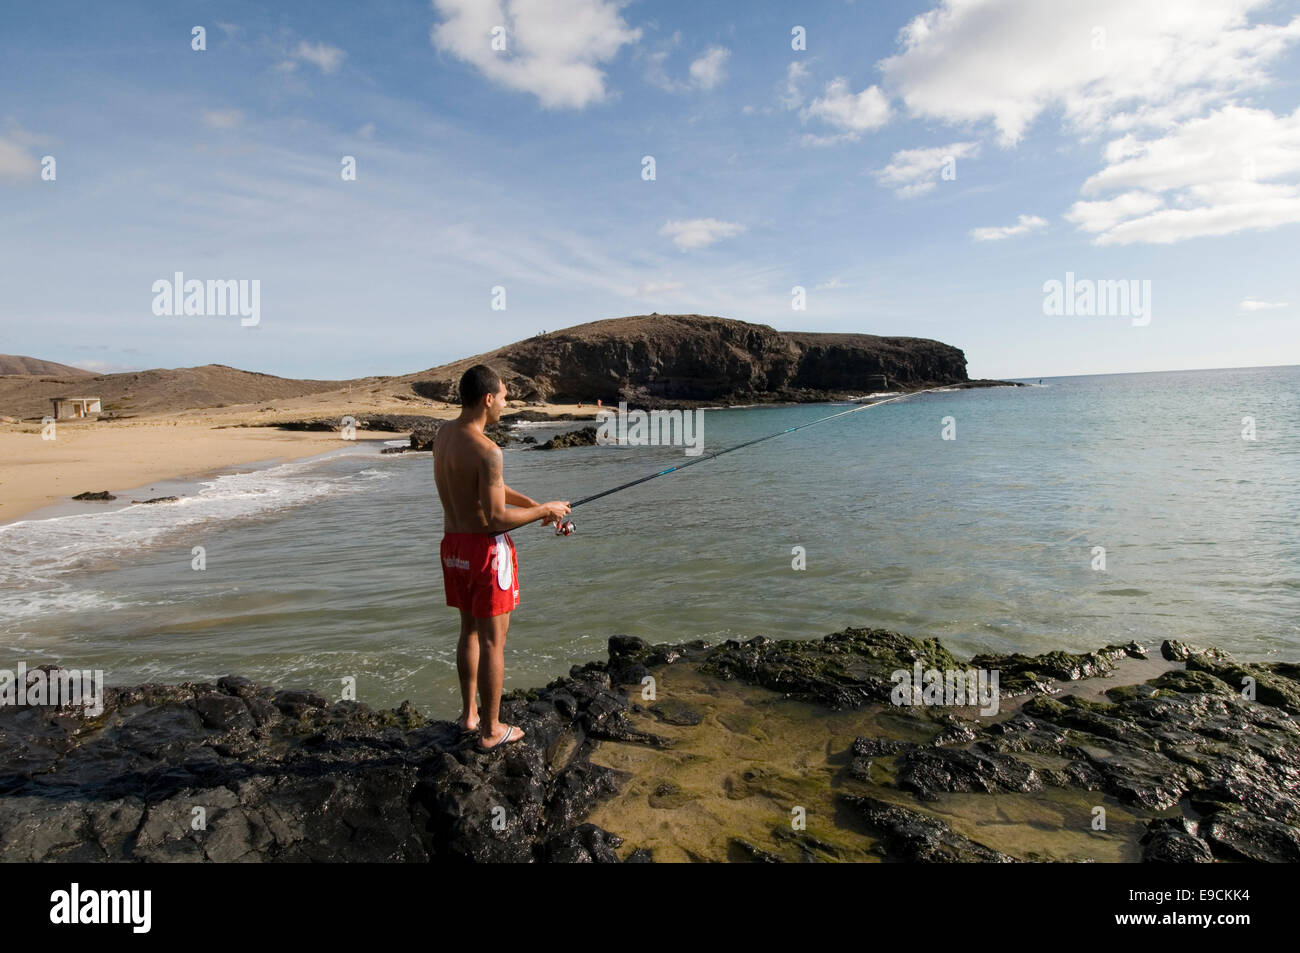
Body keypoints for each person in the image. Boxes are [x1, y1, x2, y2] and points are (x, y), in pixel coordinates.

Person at [433, 364, 570, 751]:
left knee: (468, 632)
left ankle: (469, 716)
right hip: (487, 551)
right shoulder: (489, 451)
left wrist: (538, 504)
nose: (506, 405)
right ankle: (493, 730)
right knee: (495, 642)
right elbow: (495, 517)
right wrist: (543, 512)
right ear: (488, 398)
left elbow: (490, 488)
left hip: (454, 547)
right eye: (505, 398)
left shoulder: (444, 435)